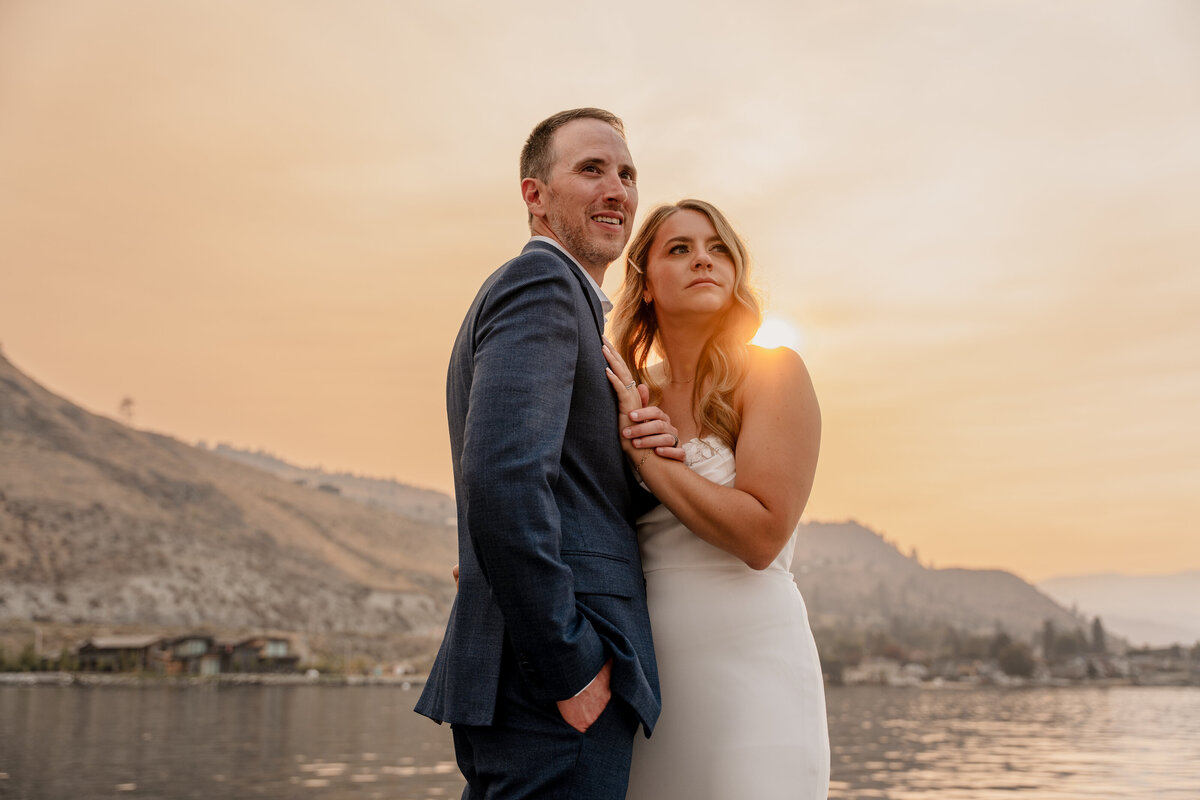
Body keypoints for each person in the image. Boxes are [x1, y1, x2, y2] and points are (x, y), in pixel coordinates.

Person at [414, 108, 682, 799]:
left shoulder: (576, 309)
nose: (617, 189)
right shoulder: (542, 287)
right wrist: (572, 667)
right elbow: (502, 480)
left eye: (627, 174)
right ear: (536, 195)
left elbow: (565, 487)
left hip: (533, 681)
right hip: (552, 686)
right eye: (591, 170)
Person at [602, 199, 831, 799]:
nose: (703, 259)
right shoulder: (626, 393)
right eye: (679, 249)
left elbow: (762, 535)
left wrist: (649, 458)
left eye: (717, 248)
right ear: (646, 284)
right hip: (645, 675)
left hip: (754, 663)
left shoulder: (773, 373)